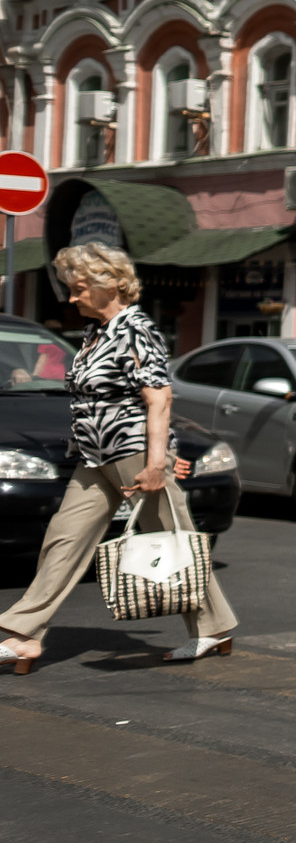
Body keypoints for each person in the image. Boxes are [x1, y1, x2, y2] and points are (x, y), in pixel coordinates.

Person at [0, 244, 239, 671]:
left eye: (78, 289)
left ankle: (213, 629)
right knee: (63, 540)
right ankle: (24, 636)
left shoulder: (137, 329)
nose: (71, 298)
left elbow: (159, 398)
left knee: (173, 538)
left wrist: (156, 463)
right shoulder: (97, 333)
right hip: (94, 456)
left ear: (109, 283)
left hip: (131, 453)